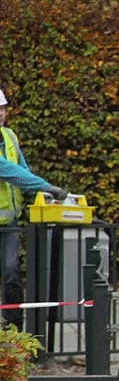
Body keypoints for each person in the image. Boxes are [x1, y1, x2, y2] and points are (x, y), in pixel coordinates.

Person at [0, 88, 69, 330]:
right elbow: (8, 171)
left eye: (3, 108)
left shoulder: (9, 136)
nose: (1, 114)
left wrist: (44, 193)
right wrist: (47, 186)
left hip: (8, 223)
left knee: (11, 272)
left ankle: (14, 328)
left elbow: (23, 171)